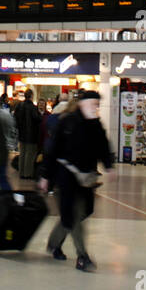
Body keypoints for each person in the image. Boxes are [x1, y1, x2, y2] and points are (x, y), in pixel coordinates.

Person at [39, 91, 113, 271]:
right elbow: (53, 150)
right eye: (92, 104)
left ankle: (55, 242)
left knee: (82, 212)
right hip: (65, 177)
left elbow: (103, 147)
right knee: (73, 216)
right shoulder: (67, 122)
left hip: (86, 179)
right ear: (82, 104)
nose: (95, 108)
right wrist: (45, 176)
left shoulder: (96, 125)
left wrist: (109, 165)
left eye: (97, 105)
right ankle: (83, 257)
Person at [13, 88, 42, 181]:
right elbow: (37, 119)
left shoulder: (19, 106)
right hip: (31, 135)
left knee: (22, 153)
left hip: (21, 134)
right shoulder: (33, 107)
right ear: (31, 96)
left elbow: (16, 118)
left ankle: (21, 172)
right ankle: (28, 173)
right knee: (30, 155)